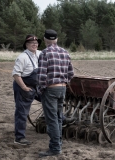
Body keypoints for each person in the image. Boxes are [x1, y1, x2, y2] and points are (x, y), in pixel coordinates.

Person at [37, 29, 74, 157]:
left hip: (51, 89)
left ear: (45, 39)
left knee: (52, 119)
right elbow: (71, 73)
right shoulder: (65, 52)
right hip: (62, 88)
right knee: (58, 117)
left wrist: (41, 89)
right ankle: (58, 143)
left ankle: (55, 148)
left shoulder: (44, 53)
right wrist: (64, 82)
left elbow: (41, 75)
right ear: (56, 39)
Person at [12, 34, 42, 145]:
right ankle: (19, 138)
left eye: (36, 43)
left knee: (49, 100)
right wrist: (24, 87)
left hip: (37, 86)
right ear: (26, 45)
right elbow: (16, 74)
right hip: (23, 87)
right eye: (31, 43)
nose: (34, 44)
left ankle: (61, 120)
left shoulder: (40, 54)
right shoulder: (22, 57)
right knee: (22, 112)